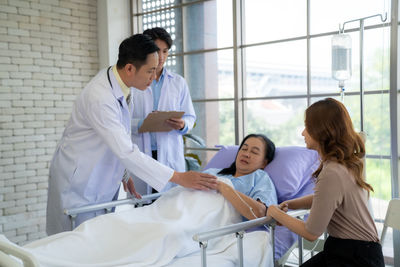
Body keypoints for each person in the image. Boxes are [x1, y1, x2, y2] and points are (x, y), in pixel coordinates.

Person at [46, 34, 217, 235]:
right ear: (129, 68)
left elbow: (120, 134)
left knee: (96, 240)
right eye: (150, 71)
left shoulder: (124, 86)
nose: (154, 77)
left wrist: (124, 172)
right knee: (72, 243)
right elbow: (125, 149)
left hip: (100, 177)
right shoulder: (100, 97)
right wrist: (180, 177)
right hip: (80, 183)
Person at [267, 98, 384, 267]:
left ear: (321, 130)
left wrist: (276, 213)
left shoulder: (332, 172)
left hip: (356, 257)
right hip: (352, 250)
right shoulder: (342, 164)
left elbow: (311, 233)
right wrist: (289, 204)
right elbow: (325, 199)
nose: (302, 134)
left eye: (307, 127)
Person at [130, 27, 196, 194]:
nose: (161, 57)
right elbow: (119, 120)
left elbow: (190, 116)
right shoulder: (133, 82)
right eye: (157, 51)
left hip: (168, 153)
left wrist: (183, 124)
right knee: (144, 205)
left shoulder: (178, 82)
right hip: (142, 152)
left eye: (165, 51)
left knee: (169, 204)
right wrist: (141, 124)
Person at [207, 133, 278, 219]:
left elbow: (260, 212)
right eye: (244, 149)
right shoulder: (213, 172)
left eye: (254, 152)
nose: (246, 154)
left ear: (264, 163)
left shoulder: (260, 178)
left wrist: (223, 187)